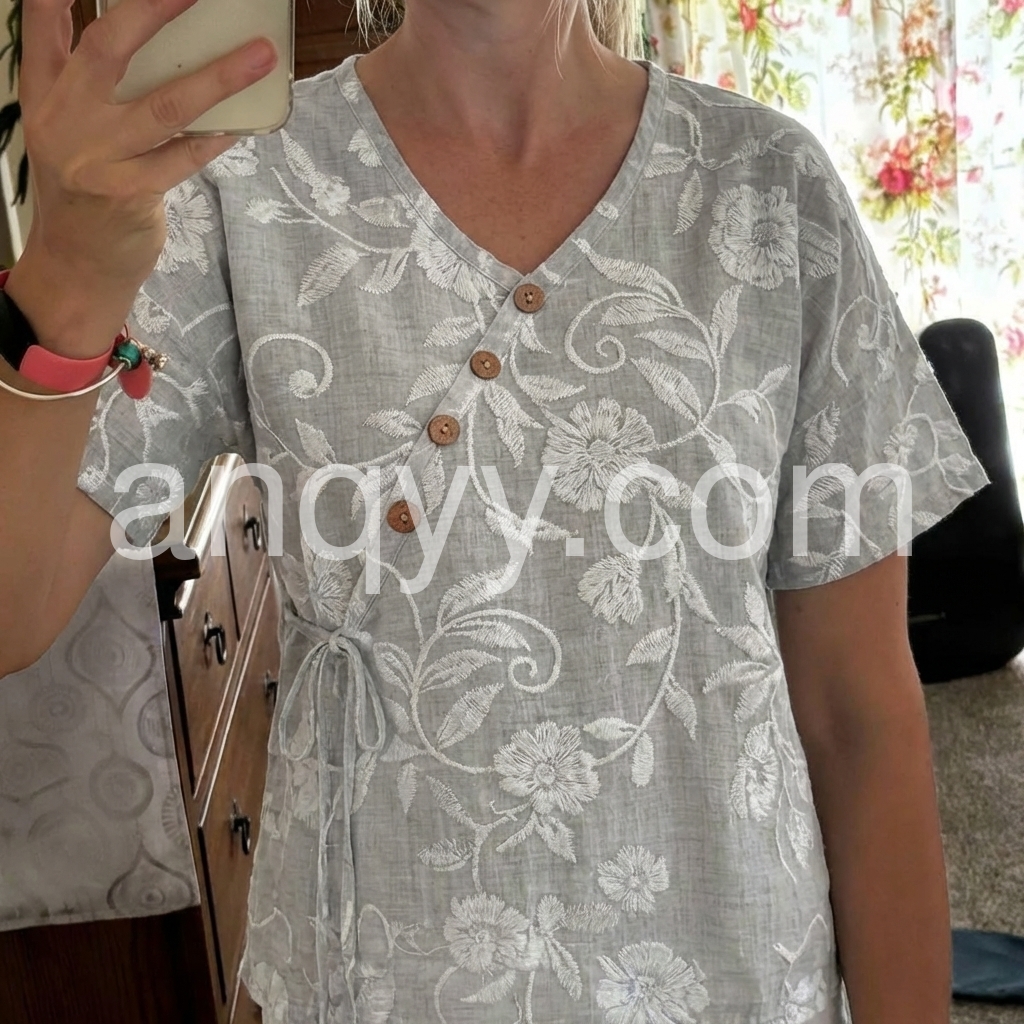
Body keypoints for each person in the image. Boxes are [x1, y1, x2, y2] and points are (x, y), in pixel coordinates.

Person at [0, 0, 988, 1020]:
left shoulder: (770, 188)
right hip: (378, 979)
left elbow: (859, 714)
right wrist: (70, 267)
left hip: (735, 969)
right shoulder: (234, 187)